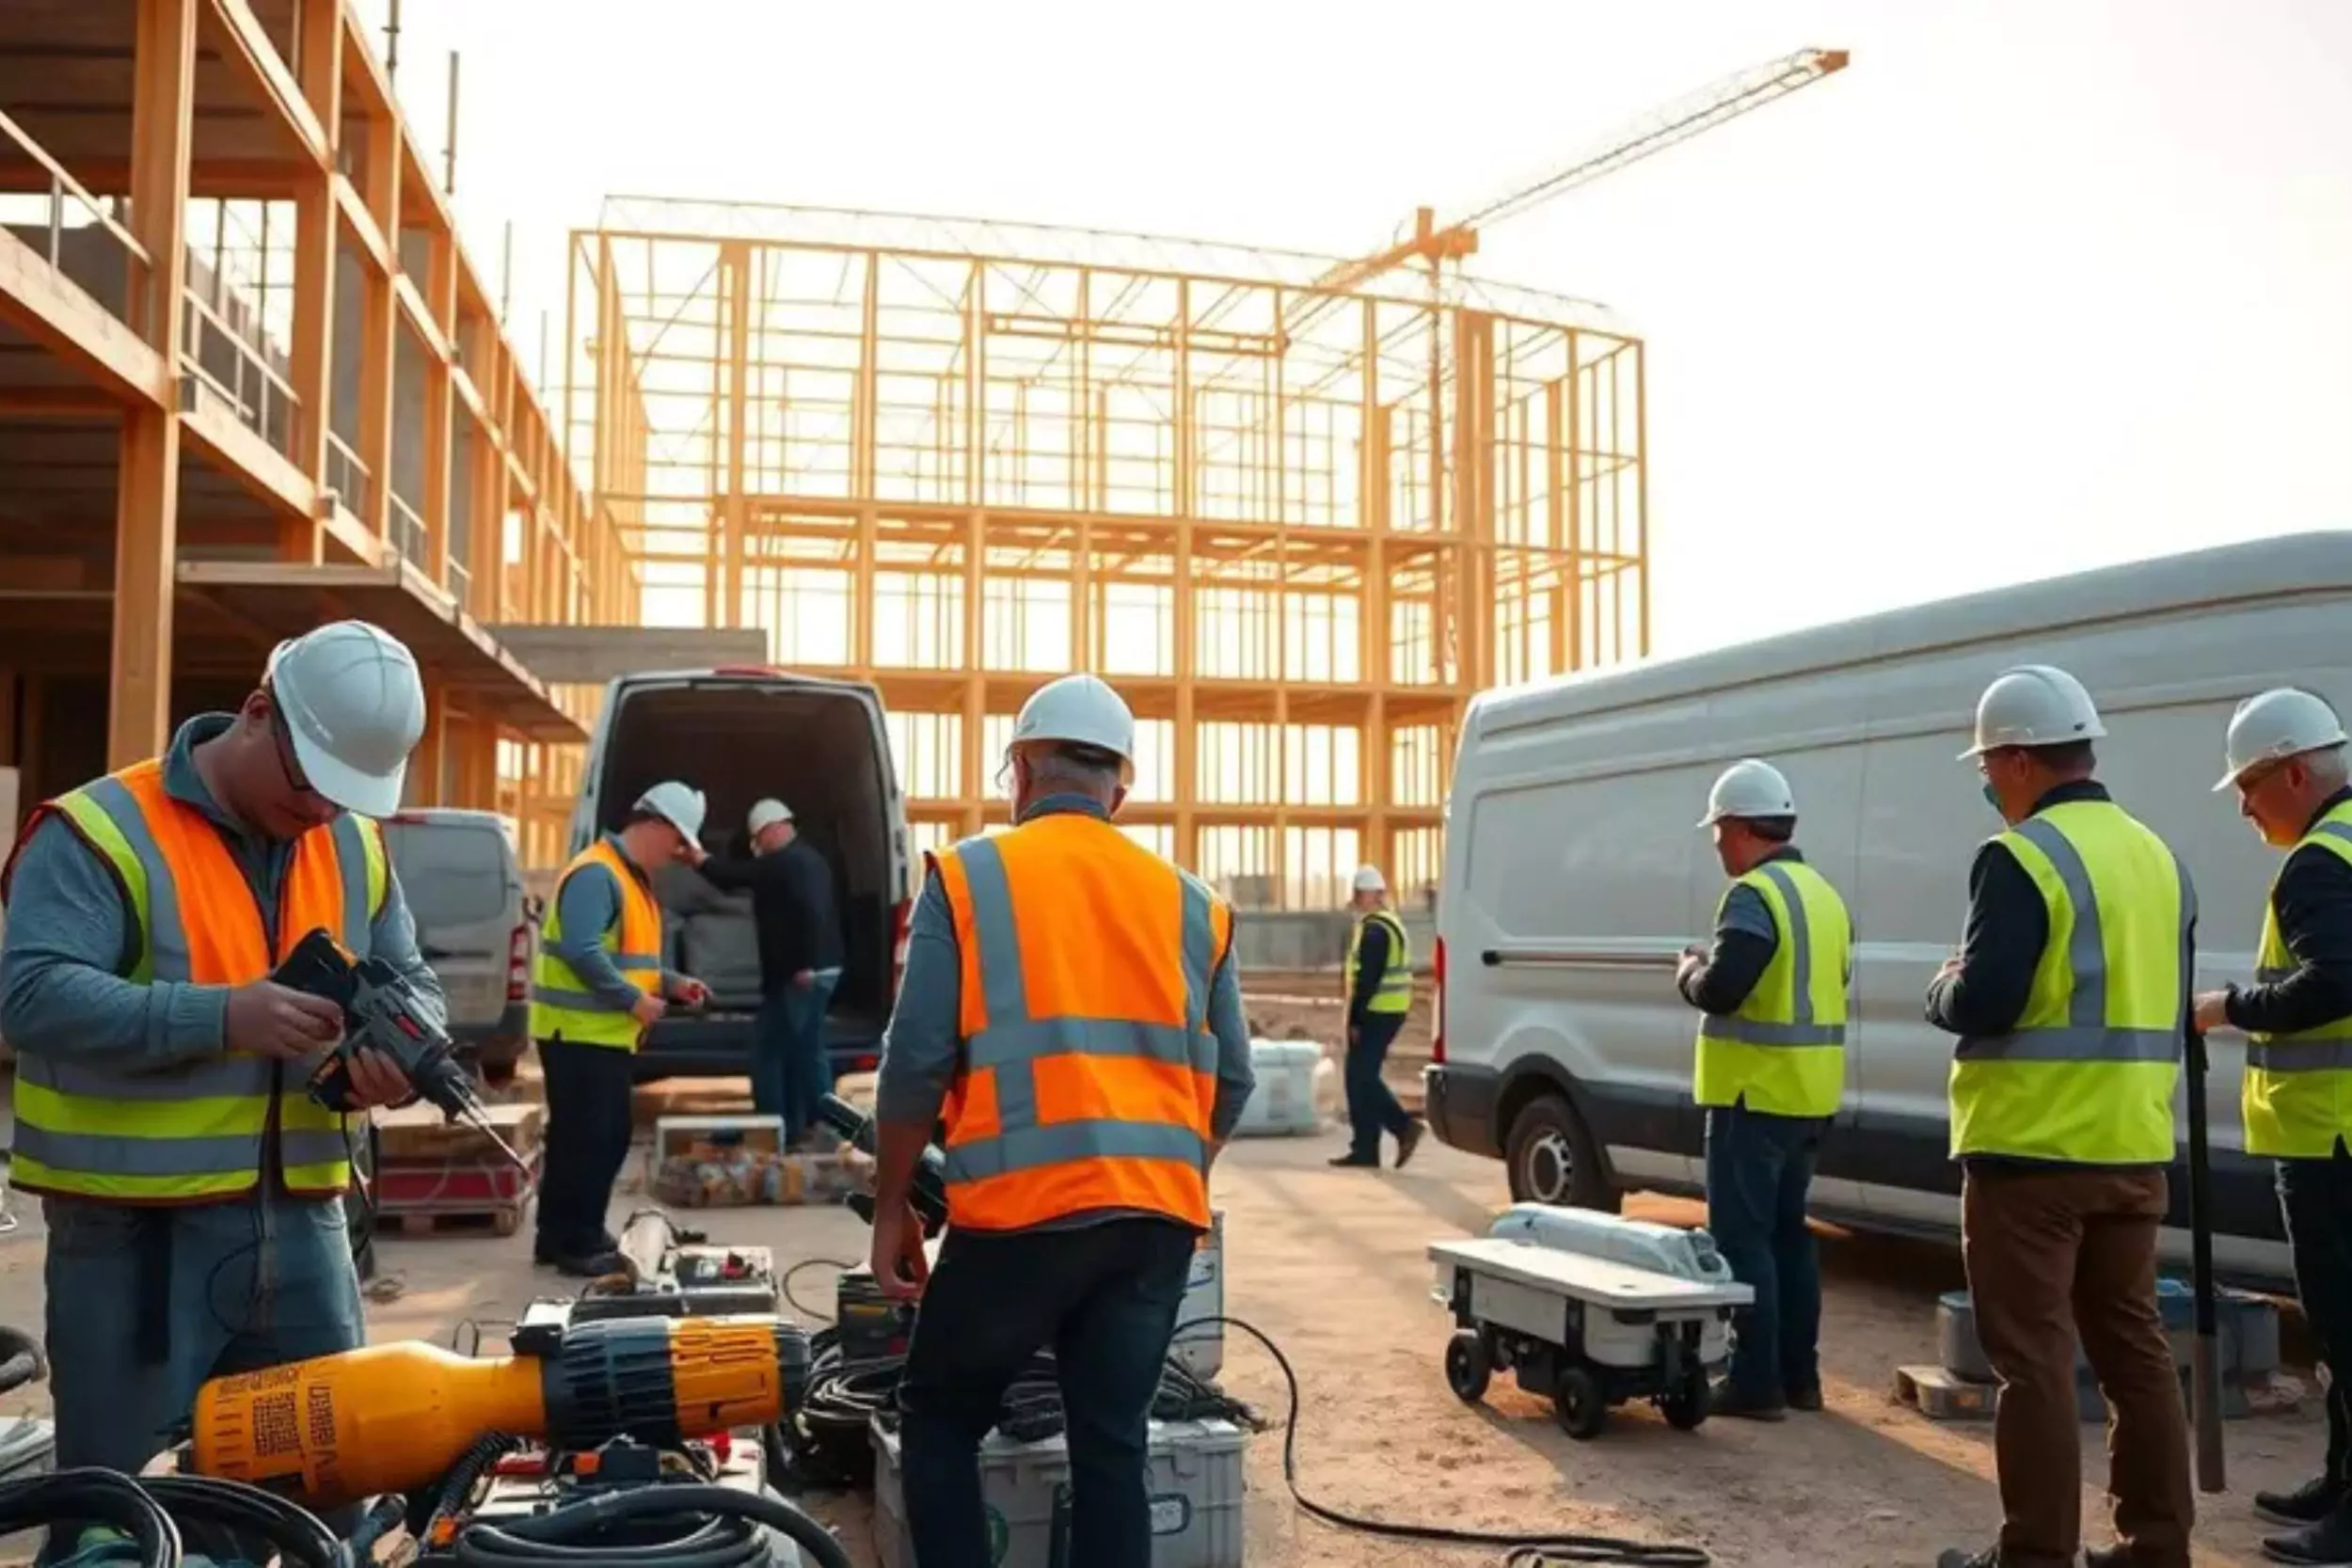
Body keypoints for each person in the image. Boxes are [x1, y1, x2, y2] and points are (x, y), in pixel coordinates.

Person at [0, 620, 438, 1558]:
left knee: (332, 1485)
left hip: (307, 1231)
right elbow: (30, 994)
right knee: (126, 1514)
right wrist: (219, 1017)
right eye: (308, 784)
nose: (321, 810)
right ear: (255, 714)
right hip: (135, 1243)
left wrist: (401, 1052)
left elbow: (410, 980)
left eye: (342, 795)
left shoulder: (351, 844)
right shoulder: (99, 829)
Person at [868, 673, 1256, 1568]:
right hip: (1155, 1222)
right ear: (1120, 785)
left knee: (939, 1421)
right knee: (1113, 1441)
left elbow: (916, 1058)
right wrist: (1173, 1166)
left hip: (1018, 1221)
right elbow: (1231, 1076)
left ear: (1022, 768)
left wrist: (894, 1205)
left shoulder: (967, 878)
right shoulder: (1195, 904)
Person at [1928, 664, 2195, 1568]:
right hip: (2134, 1145)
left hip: (2032, 1154)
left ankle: (2035, 1554)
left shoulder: (2022, 856)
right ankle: (2156, 1546)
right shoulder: (2160, 857)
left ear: (2015, 759)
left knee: (2033, 1363)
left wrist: (1942, 989)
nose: (1985, 782)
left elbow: (1987, 998)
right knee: (2136, 1352)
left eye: (1987, 764)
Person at [2189, 688, 2352, 1566]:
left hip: (2330, 1136)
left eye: (2251, 786)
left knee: (2345, 1322)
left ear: (2295, 772)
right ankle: (2340, 1478)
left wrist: (2227, 1006)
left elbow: (2334, 983)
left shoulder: (2319, 864)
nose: (2245, 806)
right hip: (2339, 1133)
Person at [1675, 757, 1851, 1422]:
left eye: (1719, 830)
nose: (1717, 843)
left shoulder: (1753, 895)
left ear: (1741, 828)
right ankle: (1800, 1378)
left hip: (1753, 1098)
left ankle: (1755, 1384)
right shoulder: (1824, 896)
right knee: (1788, 1238)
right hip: (1809, 1098)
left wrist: (1689, 971)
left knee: (1743, 1240)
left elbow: (1725, 988)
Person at [527, 781, 711, 1276]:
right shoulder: (596, 874)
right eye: (676, 841)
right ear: (653, 824)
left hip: (599, 1032)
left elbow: (627, 957)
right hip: (579, 1032)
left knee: (582, 1137)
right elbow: (583, 953)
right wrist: (635, 1001)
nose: (677, 854)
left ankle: (560, 1233)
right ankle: (580, 1241)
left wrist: (671, 984)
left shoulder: (625, 876)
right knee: (594, 1137)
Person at [697, 798, 844, 1145]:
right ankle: (809, 1126)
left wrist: (699, 860)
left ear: (774, 829)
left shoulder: (788, 862)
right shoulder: (809, 861)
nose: (757, 848)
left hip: (803, 975)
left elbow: (733, 876)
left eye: (759, 839)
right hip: (819, 972)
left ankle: (775, 1126)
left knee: (769, 1051)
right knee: (805, 1050)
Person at [1331, 863, 1423, 1170]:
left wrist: (1356, 1020)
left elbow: (1368, 978)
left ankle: (1403, 1127)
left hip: (1377, 1012)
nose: (1357, 898)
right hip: (1388, 1010)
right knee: (1359, 1076)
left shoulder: (1375, 930)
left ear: (1373, 895)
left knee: (1361, 1076)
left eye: (1361, 893)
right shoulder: (1389, 924)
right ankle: (1365, 1149)